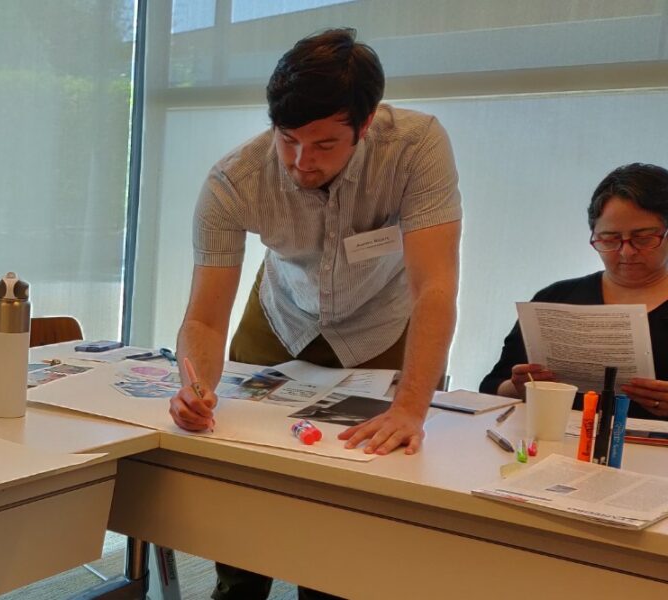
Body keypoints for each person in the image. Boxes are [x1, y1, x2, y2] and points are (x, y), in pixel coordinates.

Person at [165, 29, 462, 600]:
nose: (302, 162)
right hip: (283, 314)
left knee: (354, 487)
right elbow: (204, 318)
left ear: (366, 124)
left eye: (325, 145)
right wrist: (196, 388)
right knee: (247, 468)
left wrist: (410, 408)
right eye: (288, 140)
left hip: (382, 320)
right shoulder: (234, 179)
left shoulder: (418, 146)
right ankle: (238, 585)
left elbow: (435, 287)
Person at [481, 163, 668, 420]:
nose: (626, 251)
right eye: (610, 239)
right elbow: (492, 387)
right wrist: (517, 387)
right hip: (558, 449)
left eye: (643, 238)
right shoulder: (556, 298)